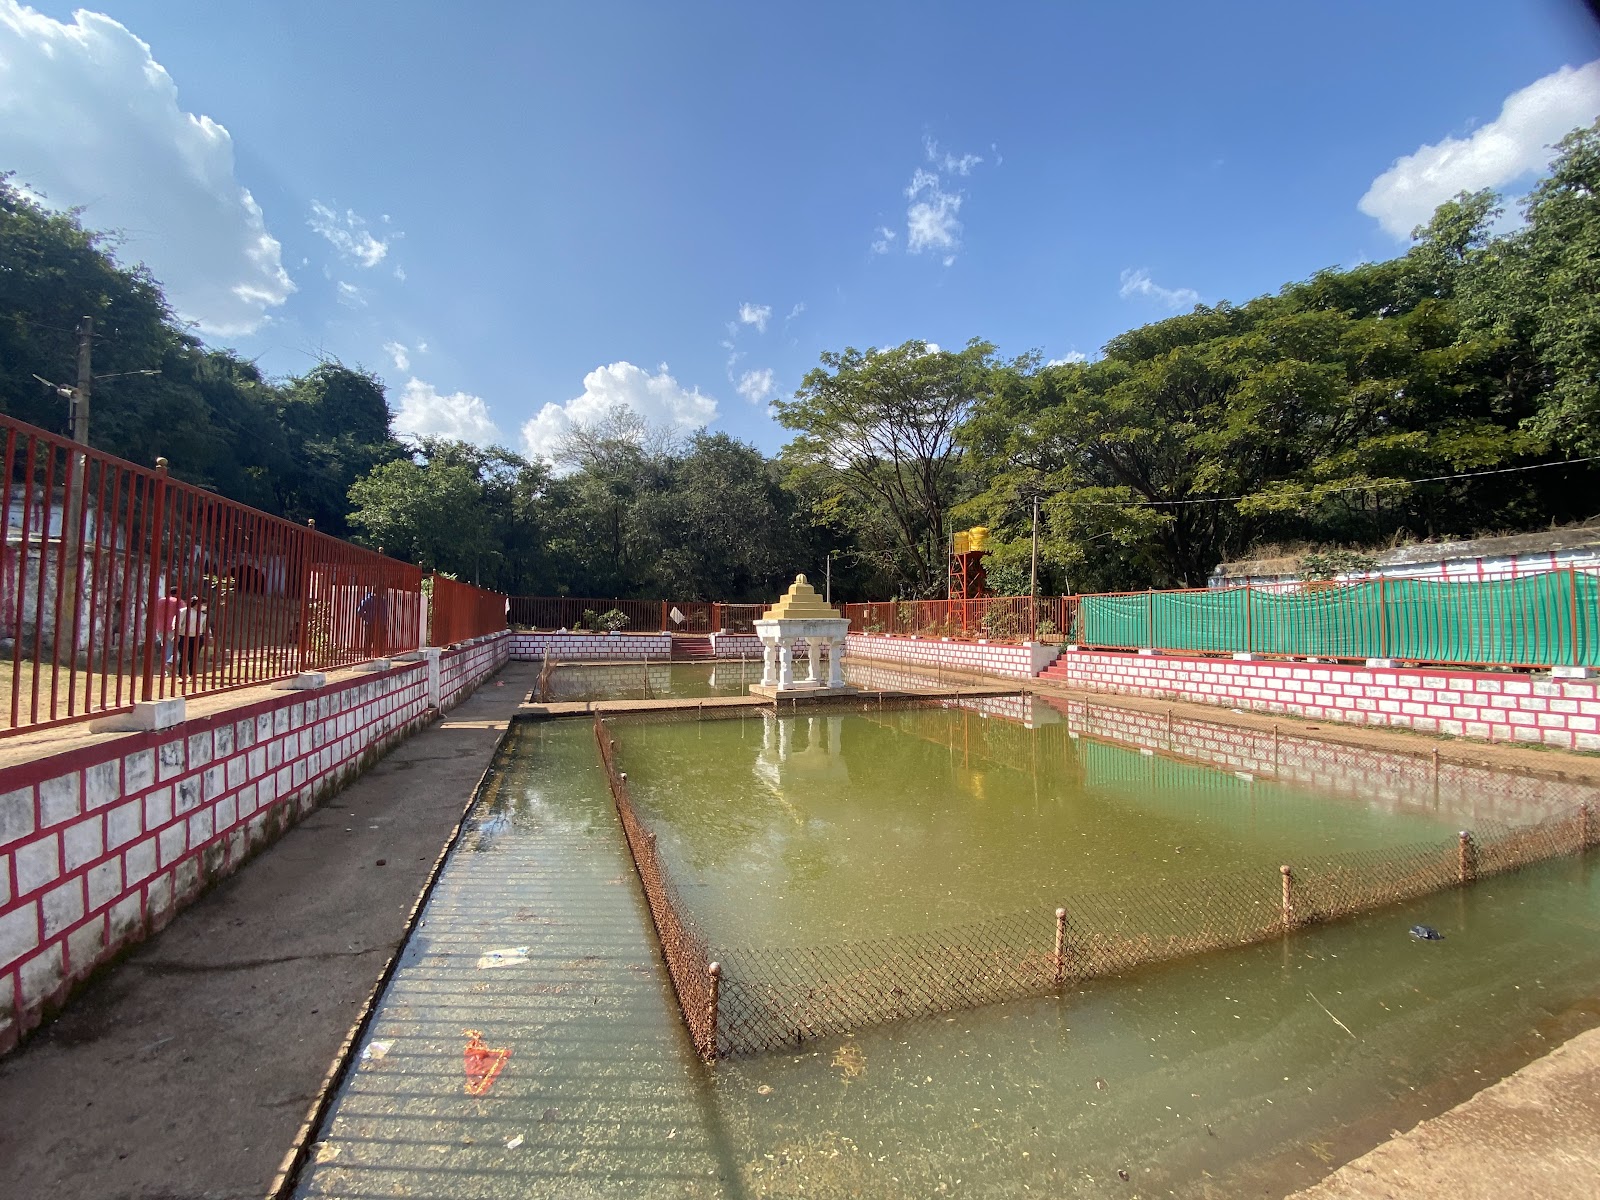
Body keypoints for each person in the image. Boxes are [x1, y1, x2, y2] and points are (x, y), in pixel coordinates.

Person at [176, 595, 208, 679]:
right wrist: (176, 634)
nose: (204, 606)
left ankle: (192, 674)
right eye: (203, 604)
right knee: (184, 656)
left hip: (198, 637)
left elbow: (205, 626)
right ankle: (182, 675)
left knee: (194, 656)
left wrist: (209, 636)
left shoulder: (203, 614)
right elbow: (177, 623)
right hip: (184, 636)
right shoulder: (184, 611)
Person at [357, 589, 389, 655]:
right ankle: (379, 655)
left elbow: (360, 611)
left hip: (371, 623)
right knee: (379, 642)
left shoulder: (368, 599)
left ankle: (367, 656)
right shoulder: (382, 600)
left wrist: (366, 618)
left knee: (368, 640)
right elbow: (385, 614)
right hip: (379, 624)